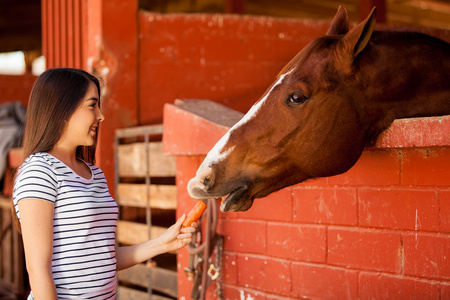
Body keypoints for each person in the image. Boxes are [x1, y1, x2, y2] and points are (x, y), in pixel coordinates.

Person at [12, 68, 197, 299]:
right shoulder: (39, 171)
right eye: (92, 105)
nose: (101, 116)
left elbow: (104, 257)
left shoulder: (94, 173)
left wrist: (163, 243)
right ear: (63, 109)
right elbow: (38, 269)